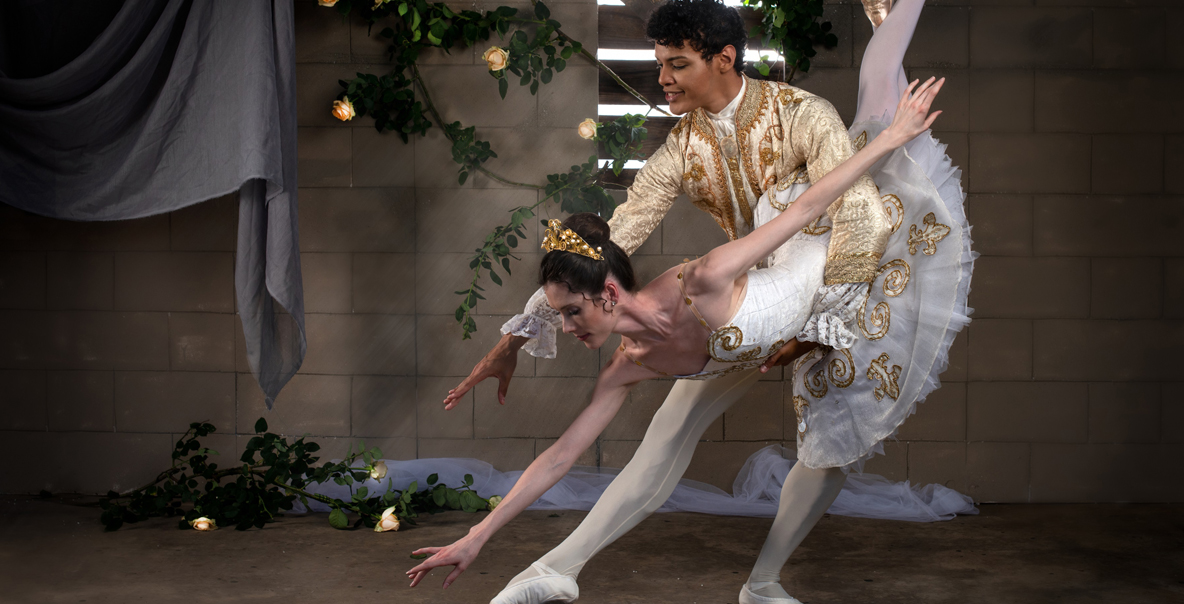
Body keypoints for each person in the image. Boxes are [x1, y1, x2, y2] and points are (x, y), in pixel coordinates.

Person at [410, 0, 973, 602]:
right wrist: (517, 334)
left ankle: (763, 583)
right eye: (661, 64)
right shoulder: (682, 149)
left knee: (832, 442)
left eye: (677, 64)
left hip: (836, 270)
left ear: (723, 58)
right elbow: (610, 242)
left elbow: (855, 210)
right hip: (739, 296)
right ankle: (554, 571)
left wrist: (822, 327)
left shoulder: (800, 113)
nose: (664, 79)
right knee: (664, 438)